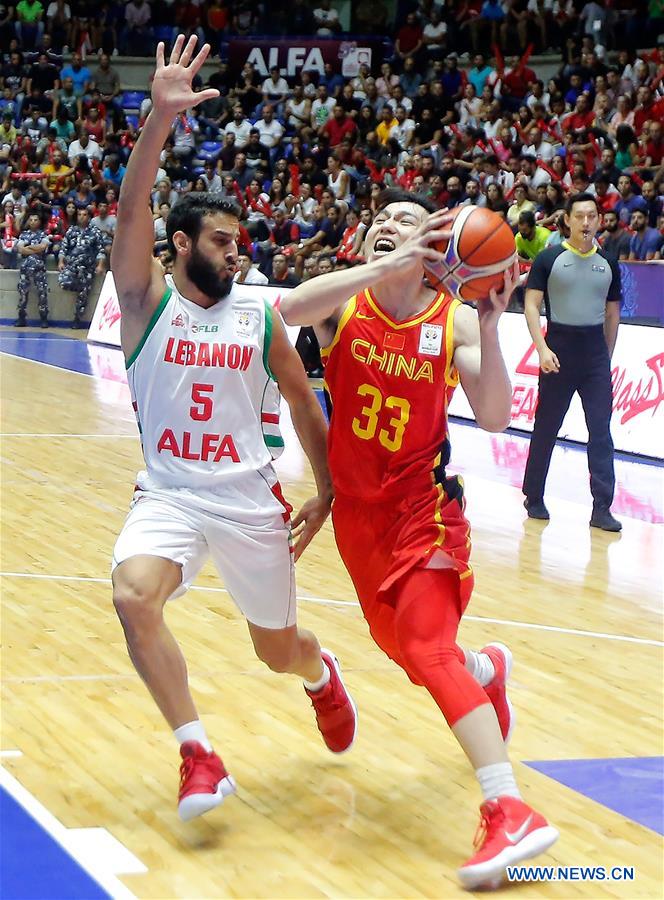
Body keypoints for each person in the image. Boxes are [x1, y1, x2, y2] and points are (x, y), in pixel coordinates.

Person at [280, 188, 558, 889]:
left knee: (429, 651)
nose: (386, 228)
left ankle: (508, 808)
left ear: (437, 244)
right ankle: (487, 669)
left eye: (405, 221)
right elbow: (283, 312)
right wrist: (384, 267)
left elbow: (495, 417)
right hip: (359, 521)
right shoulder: (344, 304)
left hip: (424, 513)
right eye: (379, 223)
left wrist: (492, 332)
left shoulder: (454, 318)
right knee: (412, 655)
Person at [109, 35, 357, 823]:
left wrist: (326, 492)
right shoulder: (147, 301)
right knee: (132, 596)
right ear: (180, 246)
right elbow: (129, 209)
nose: (235, 251)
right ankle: (197, 752)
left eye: (238, 241)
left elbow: (302, 400)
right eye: (221, 241)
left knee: (276, 650)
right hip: (171, 494)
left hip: (250, 500)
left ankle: (321, 675)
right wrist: (158, 122)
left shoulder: (257, 313)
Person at [522, 193, 622, 531]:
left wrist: (605, 357)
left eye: (591, 216)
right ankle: (533, 495)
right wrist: (541, 348)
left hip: (594, 353)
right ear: (567, 220)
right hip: (558, 348)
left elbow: (612, 313)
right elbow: (532, 306)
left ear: (599, 220)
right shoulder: (549, 259)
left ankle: (602, 508)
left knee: (600, 432)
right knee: (546, 427)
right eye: (579, 216)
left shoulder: (608, 262)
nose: (585, 222)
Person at [58, 208, 107, 327]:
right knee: (63, 282)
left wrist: (100, 265)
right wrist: (61, 262)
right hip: (72, 265)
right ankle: (78, 286)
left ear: (88, 217)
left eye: (84, 215)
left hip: (87, 267)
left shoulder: (95, 232)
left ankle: (77, 318)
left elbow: (100, 250)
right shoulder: (71, 230)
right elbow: (64, 248)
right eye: (79, 214)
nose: (81, 217)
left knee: (84, 293)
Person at [16, 211, 50, 328]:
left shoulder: (44, 235)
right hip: (25, 269)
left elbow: (42, 247)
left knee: (42, 294)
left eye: (35, 220)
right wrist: (34, 249)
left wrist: (28, 247)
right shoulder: (23, 235)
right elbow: (20, 249)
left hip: (39, 269)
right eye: (31, 220)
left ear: (39, 222)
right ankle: (21, 317)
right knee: (23, 293)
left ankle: (44, 318)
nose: (33, 222)